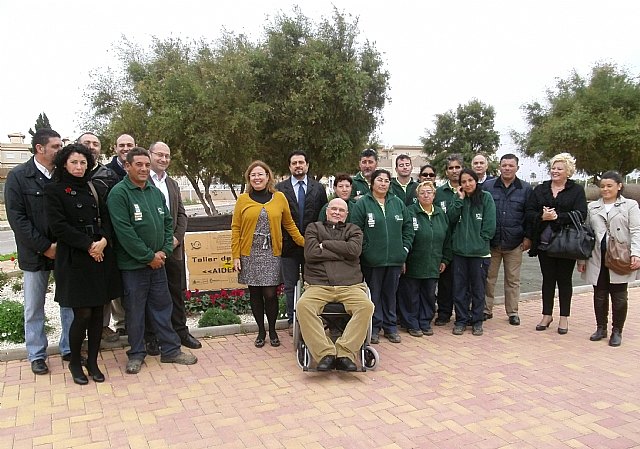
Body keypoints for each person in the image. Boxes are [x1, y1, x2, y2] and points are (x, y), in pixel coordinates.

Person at [107, 147, 197, 374]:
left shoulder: (154, 192)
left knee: (162, 307)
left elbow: (168, 223)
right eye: (139, 165)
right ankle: (136, 354)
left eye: (147, 165)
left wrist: (164, 251)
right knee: (135, 312)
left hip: (159, 264)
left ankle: (171, 351)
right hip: (134, 267)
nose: (144, 169)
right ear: (127, 166)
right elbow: (124, 232)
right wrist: (149, 257)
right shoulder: (119, 194)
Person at [44, 143, 118, 384]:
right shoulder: (54, 190)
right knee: (82, 314)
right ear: (65, 163)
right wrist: (89, 245)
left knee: (98, 314)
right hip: (75, 258)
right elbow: (58, 227)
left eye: (83, 162)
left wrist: (104, 241)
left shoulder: (94, 188)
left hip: (99, 256)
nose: (79, 167)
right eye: (74, 162)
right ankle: (76, 362)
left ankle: (93, 362)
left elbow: (106, 218)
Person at [4, 128, 74, 375]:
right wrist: (45, 247)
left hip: (64, 253)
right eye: (55, 146)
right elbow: (18, 219)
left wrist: (62, 246)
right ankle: (36, 355)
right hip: (35, 255)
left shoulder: (63, 176)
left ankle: (69, 348)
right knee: (34, 307)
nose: (60, 150)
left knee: (68, 303)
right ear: (39, 149)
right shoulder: (18, 177)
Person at [232, 161, 305, 348]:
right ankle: (261, 332)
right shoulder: (242, 199)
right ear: (249, 178)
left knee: (270, 294)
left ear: (268, 177)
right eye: (253, 175)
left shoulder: (279, 197)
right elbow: (236, 228)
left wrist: (305, 243)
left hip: (271, 252)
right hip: (250, 252)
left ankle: (272, 330)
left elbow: (289, 224)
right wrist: (236, 256)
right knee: (255, 293)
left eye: (260, 174)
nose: (257, 178)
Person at [296, 198, 374, 371]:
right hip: (318, 284)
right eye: (334, 209)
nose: (337, 212)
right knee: (303, 305)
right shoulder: (313, 228)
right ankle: (325, 354)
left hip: (350, 285)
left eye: (341, 210)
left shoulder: (354, 230)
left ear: (346, 214)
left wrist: (326, 245)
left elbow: (354, 251)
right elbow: (311, 254)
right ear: (327, 211)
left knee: (366, 306)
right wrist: (342, 252)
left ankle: (345, 353)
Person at [145, 142, 201, 352]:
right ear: (150, 155)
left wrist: (176, 238)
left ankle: (180, 331)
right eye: (159, 155)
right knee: (150, 295)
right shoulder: (141, 181)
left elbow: (181, 214)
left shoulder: (173, 184)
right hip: (150, 252)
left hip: (173, 249)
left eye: (167, 156)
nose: (163, 159)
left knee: (176, 292)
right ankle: (151, 337)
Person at [526, 153, 587, 334]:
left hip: (566, 244)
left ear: (568, 171)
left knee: (564, 281)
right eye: (553, 167)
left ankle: (564, 317)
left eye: (559, 168)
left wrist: (558, 217)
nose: (555, 171)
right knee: (548, 280)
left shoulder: (576, 190)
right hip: (545, 243)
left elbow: (581, 214)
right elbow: (529, 212)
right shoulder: (541, 189)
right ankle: (547, 314)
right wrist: (542, 216)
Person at [577, 171, 640, 346]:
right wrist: (581, 260)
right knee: (599, 294)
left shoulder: (630, 205)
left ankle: (617, 330)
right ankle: (601, 327)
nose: (605, 189)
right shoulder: (592, 207)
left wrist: (636, 253)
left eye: (609, 186)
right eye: (603, 186)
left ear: (619, 186)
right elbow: (586, 235)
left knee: (619, 295)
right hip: (597, 257)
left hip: (620, 257)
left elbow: (636, 231)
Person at [351, 169, 413, 344]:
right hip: (372, 261)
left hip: (395, 259)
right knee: (374, 295)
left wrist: (404, 249)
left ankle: (390, 327)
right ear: (373, 183)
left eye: (386, 180)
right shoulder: (362, 204)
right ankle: (374, 328)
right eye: (380, 180)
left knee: (390, 294)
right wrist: (366, 250)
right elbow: (356, 231)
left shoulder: (398, 203)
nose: (383, 183)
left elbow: (408, 228)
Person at [276, 150, 328, 334]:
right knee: (290, 285)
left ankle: (313, 320)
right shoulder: (280, 189)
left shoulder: (318, 189)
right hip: (288, 246)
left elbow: (323, 217)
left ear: (307, 165)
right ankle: (292, 320)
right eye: (294, 163)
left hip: (312, 245)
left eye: (301, 162)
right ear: (289, 167)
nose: (298, 165)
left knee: (313, 285)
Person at [78, 131, 122, 343]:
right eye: (87, 142)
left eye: (95, 143)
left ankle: (102, 327)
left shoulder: (108, 176)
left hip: (104, 241)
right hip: (78, 244)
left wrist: (104, 240)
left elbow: (112, 212)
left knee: (104, 287)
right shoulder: (65, 175)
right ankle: (78, 336)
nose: (91, 146)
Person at [483, 154, 532, 325]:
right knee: (489, 278)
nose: (507, 168)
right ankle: (486, 309)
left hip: (515, 242)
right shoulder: (488, 186)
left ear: (517, 167)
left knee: (513, 280)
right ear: (499, 167)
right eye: (504, 165)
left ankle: (512, 312)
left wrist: (528, 237)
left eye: (511, 165)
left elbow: (530, 215)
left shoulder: (525, 189)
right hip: (492, 242)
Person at [397, 181, 451, 337]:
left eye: (429, 192)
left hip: (433, 263)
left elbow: (447, 239)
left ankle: (425, 322)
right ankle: (411, 323)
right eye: (422, 192)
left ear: (434, 195)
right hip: (413, 263)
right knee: (411, 296)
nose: (426, 195)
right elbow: (403, 237)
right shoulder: (410, 212)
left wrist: (445, 259)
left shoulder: (441, 214)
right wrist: (403, 259)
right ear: (417, 195)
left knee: (428, 295)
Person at [447, 169, 496, 336]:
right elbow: (451, 219)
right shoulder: (458, 197)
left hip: (479, 254)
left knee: (478, 288)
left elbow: (490, 226)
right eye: (464, 181)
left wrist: (481, 241)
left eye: (470, 180)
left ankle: (477, 321)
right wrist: (459, 200)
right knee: (460, 288)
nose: (467, 184)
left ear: (476, 181)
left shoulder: (485, 198)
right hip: (459, 253)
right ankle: (461, 319)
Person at [104, 133, 135, 335]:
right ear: (115, 148)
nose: (125, 148)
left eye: (129, 145)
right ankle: (120, 323)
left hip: (137, 237)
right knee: (115, 285)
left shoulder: (141, 169)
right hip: (113, 237)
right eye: (121, 145)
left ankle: (131, 323)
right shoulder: (106, 172)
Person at [433, 154, 464, 326]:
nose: (454, 171)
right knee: (445, 281)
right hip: (444, 243)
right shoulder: (439, 193)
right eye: (451, 168)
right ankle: (444, 313)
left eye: (457, 167)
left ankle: (462, 314)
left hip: (464, 243)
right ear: (446, 171)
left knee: (462, 282)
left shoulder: (469, 190)